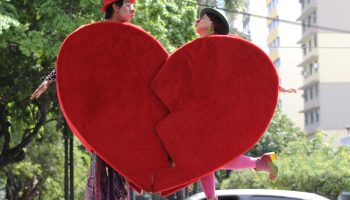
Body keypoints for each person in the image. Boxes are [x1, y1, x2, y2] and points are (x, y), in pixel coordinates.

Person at [31, 1, 135, 199]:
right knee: (99, 171)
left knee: (121, 176)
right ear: (114, 6)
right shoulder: (94, 35)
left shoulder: (135, 37)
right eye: (128, 4)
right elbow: (73, 59)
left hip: (124, 119)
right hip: (101, 116)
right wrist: (49, 80)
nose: (133, 9)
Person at [194, 7, 296, 200]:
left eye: (203, 18)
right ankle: (260, 164)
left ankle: (258, 165)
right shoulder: (199, 48)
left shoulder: (221, 45)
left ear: (213, 26)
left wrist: (274, 86)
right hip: (204, 112)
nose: (198, 20)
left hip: (216, 113)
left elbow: (249, 66)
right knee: (204, 158)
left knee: (202, 157)